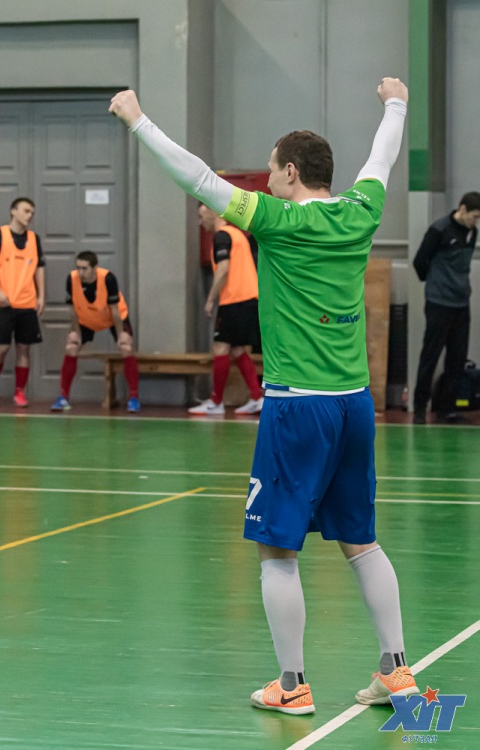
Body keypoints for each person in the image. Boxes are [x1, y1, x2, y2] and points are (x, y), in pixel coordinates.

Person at [109, 77, 419, 713]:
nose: (267, 177)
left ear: (291, 172)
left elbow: (198, 178)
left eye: (273, 168)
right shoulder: (361, 210)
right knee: (361, 541)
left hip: (297, 406)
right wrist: (396, 103)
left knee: (276, 549)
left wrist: (138, 120)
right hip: (353, 404)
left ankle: (292, 684)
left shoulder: (277, 219)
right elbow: (382, 157)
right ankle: (397, 671)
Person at [412, 192, 480, 425]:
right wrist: (436, 283)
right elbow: (419, 262)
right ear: (462, 209)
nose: (475, 222)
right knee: (430, 356)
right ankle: (420, 408)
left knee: (456, 358)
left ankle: (447, 409)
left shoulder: (472, 232)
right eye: (474, 217)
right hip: (439, 303)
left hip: (461, 304)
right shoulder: (439, 230)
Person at [189, 204, 263, 416]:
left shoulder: (222, 236)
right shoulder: (236, 234)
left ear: (214, 213)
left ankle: (216, 402)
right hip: (248, 299)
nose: (200, 222)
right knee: (237, 349)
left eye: (202, 216)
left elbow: (223, 269)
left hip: (235, 301)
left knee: (220, 347)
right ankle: (256, 397)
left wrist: (210, 299)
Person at [51, 251, 140, 414]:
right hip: (87, 318)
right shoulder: (71, 279)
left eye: (84, 268)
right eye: (78, 268)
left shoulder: (108, 279)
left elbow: (115, 311)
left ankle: (133, 398)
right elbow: (73, 310)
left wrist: (120, 334)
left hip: (113, 317)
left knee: (126, 347)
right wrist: (76, 333)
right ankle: (63, 397)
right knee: (71, 347)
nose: (80, 272)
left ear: (95, 268)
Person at [0, 197, 45, 407]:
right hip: (4, 303)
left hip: (27, 304)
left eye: (32, 212)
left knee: (24, 349)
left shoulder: (34, 239)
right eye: (26, 211)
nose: (30, 215)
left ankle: (20, 392)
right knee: (1, 347)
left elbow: (39, 268)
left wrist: (41, 296)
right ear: (13, 211)